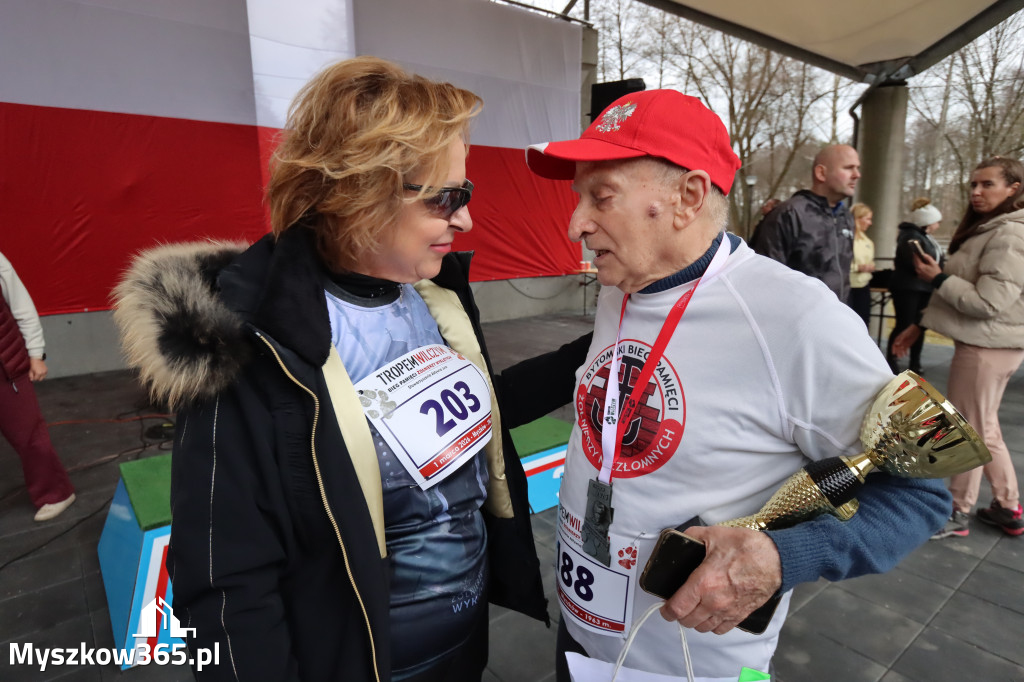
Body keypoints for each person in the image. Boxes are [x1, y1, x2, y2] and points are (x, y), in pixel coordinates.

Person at [113, 57, 590, 681]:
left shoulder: (430, 296)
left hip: (465, 651)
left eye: (465, 194)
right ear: (355, 192)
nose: (466, 218)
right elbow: (227, 584)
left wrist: (588, 354)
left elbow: (471, 418)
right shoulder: (250, 344)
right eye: (447, 197)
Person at [525, 88, 950, 680]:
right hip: (580, 636)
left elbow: (922, 492)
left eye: (602, 197)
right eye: (579, 198)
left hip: (690, 666)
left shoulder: (798, 318)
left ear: (688, 196)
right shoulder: (627, 282)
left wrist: (782, 557)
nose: (576, 224)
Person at [893, 157, 1024, 540]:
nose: (976, 192)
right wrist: (920, 324)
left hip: (987, 348)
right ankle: (1007, 505)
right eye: (973, 185)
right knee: (984, 427)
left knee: (968, 432)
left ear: (1013, 188)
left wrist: (939, 278)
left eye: (987, 185)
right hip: (989, 345)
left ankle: (957, 511)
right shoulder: (998, 229)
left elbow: (988, 303)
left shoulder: (1010, 234)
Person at [0, 251, 76, 522]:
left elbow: (21, 307)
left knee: (29, 435)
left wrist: (36, 354)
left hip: (5, 367)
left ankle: (56, 493)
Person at [753, 144, 861, 302]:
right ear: (821, 173)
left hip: (836, 319)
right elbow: (763, 278)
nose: (857, 175)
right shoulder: (788, 214)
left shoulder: (847, 217)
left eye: (857, 168)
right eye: (848, 168)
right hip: (794, 320)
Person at [886, 198, 944, 374]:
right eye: (936, 221)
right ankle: (891, 360)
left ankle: (914, 362)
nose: (938, 225)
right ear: (926, 221)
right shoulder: (910, 236)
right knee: (904, 324)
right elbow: (914, 263)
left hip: (923, 287)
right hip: (909, 287)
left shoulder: (923, 237)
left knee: (919, 325)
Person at [848, 202, 876, 326]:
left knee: (863, 322)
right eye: (868, 219)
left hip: (863, 286)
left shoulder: (867, 241)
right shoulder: (845, 238)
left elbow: (869, 260)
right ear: (857, 219)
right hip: (848, 287)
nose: (870, 223)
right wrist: (857, 267)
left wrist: (870, 266)